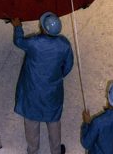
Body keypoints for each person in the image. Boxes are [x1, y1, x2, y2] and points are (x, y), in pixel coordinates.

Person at [12, 12, 74, 154]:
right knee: (53, 121)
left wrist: (17, 27)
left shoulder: (34, 43)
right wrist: (57, 76)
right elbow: (69, 65)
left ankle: (33, 150)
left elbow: (18, 41)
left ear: (43, 28)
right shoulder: (64, 44)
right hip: (53, 92)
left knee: (31, 121)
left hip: (32, 92)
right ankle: (56, 150)